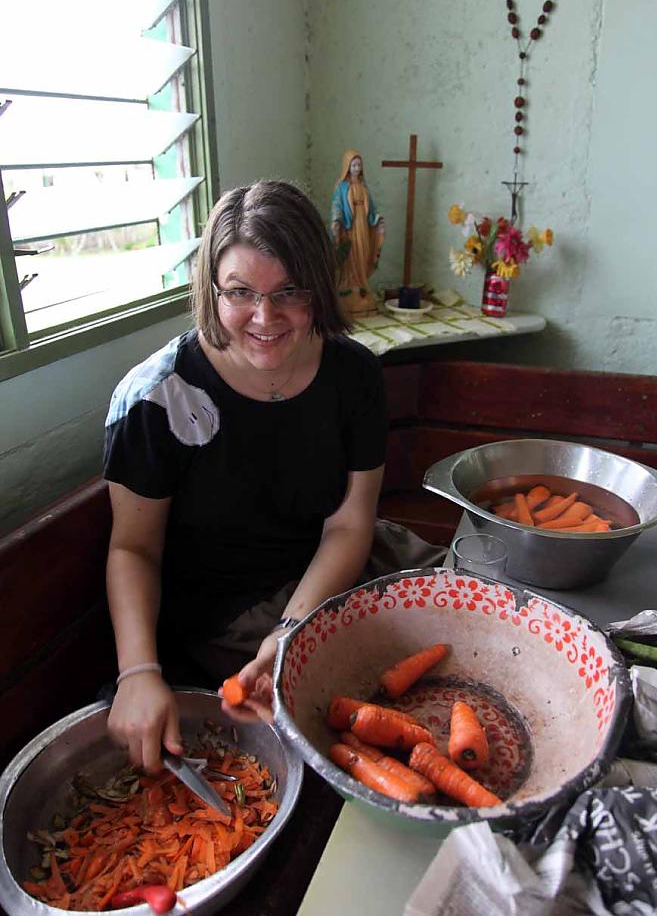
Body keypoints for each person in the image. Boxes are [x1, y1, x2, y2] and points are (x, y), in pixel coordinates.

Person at [103, 180, 445, 773]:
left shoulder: (354, 375)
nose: (265, 318)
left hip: (335, 564)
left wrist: (294, 629)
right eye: (240, 293)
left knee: (477, 616)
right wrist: (137, 672)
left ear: (319, 285)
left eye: (289, 291)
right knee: (358, 719)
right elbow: (133, 549)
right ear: (211, 290)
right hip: (229, 610)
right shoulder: (157, 400)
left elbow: (349, 524)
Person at [330, 150, 385, 317]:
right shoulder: (341, 187)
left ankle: (362, 284)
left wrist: (377, 220)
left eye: (359, 165)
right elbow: (337, 205)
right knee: (350, 256)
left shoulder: (363, 186)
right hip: (350, 228)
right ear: (347, 166)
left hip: (363, 226)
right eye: (353, 165)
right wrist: (336, 221)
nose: (356, 168)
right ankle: (349, 286)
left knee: (362, 255)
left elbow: (372, 208)